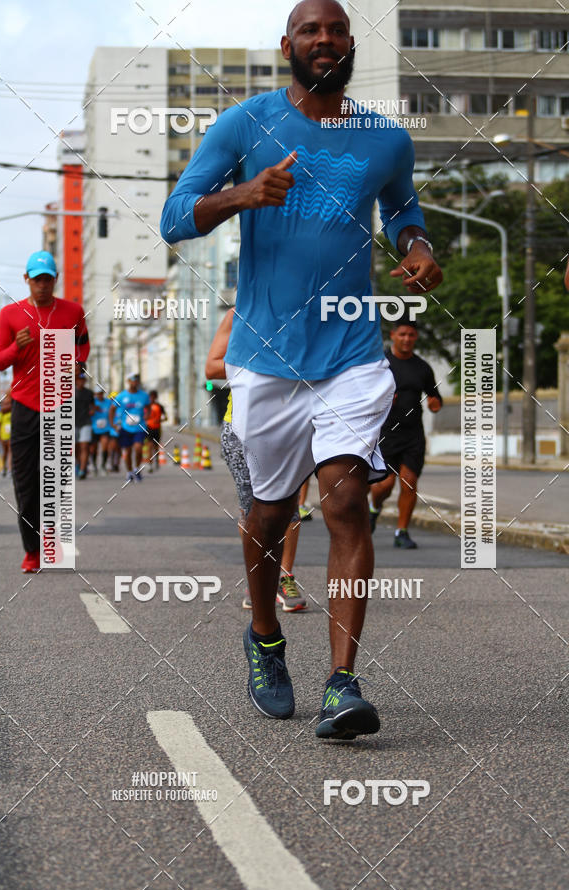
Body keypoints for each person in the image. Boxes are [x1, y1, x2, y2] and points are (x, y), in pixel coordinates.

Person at [160, 0, 442, 739]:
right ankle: (263, 637)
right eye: (312, 30)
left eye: (338, 30)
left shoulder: (384, 139)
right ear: (287, 45)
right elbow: (175, 215)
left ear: (351, 45)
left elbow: (406, 212)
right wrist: (243, 195)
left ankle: (342, 684)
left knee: (347, 502)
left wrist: (417, 247)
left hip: (352, 353)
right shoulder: (245, 125)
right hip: (265, 358)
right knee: (270, 514)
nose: (326, 40)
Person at [0, 250, 89, 572]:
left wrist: (74, 367)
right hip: (24, 405)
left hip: (60, 403)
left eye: (48, 279)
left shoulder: (73, 311)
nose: (43, 286)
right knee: (25, 480)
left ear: (55, 280)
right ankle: (32, 550)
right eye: (37, 280)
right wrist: (15, 346)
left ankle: (53, 543)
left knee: (57, 479)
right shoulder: (10, 314)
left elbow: (83, 346)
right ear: (27, 280)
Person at [206, 308, 307, 612]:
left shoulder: (301, 312)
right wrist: (259, 362)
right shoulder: (236, 316)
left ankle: (285, 577)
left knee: (289, 504)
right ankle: (258, 579)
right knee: (251, 507)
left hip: (289, 422)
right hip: (240, 427)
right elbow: (211, 368)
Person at [369, 320, 442, 548]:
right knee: (384, 486)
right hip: (386, 433)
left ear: (416, 338)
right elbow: (365, 396)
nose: (407, 339)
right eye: (402, 334)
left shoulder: (422, 367)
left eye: (411, 335)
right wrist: (383, 401)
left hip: (413, 434)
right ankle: (374, 507)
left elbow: (435, 397)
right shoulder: (380, 364)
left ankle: (402, 532)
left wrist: (434, 403)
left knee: (409, 482)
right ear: (393, 335)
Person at [109, 373, 149, 482]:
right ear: (128, 381)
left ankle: (137, 469)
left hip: (139, 428)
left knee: (138, 448)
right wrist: (112, 424)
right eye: (132, 380)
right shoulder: (122, 396)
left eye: (136, 380)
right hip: (125, 428)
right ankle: (129, 471)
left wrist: (147, 415)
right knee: (127, 451)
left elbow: (148, 407)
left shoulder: (144, 396)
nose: (135, 382)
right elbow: (112, 409)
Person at [75, 370, 95, 479]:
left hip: (86, 422)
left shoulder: (89, 393)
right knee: (75, 447)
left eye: (83, 380)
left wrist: (92, 410)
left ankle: (82, 470)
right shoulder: (69, 392)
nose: (81, 382)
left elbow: (92, 405)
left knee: (84, 446)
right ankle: (78, 463)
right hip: (73, 423)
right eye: (79, 380)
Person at [144, 390, 167, 472]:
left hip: (157, 429)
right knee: (149, 447)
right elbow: (143, 416)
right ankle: (150, 465)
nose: (152, 398)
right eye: (150, 397)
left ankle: (156, 461)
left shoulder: (160, 406)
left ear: (156, 397)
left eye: (153, 397)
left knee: (156, 447)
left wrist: (159, 420)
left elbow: (166, 417)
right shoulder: (146, 406)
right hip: (149, 428)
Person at [90, 389, 112, 474]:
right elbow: (89, 413)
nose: (99, 395)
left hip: (105, 428)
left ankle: (103, 465)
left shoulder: (108, 402)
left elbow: (112, 413)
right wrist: (93, 409)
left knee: (105, 445)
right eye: (97, 394)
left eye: (100, 394)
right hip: (94, 428)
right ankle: (94, 465)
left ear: (103, 394)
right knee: (93, 448)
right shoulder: (92, 402)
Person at [0, 394, 12, 476]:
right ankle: (4, 468)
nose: (7, 406)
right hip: (3, 437)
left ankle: (10, 469)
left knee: (10, 451)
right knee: (5, 453)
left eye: (8, 403)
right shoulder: (0, 414)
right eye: (5, 404)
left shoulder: (13, 412)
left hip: (11, 436)